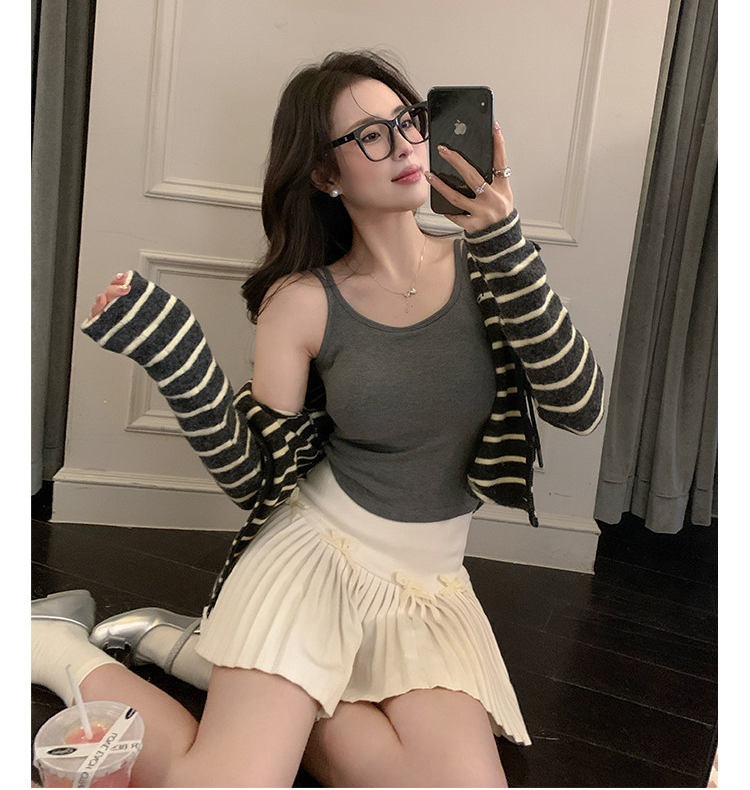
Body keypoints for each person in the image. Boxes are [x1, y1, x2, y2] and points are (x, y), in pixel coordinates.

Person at [32, 50, 604, 788]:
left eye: (408, 120)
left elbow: (578, 405)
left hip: (427, 587)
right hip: (314, 561)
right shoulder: (303, 302)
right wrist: (175, 352)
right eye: (370, 135)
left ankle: (209, 657)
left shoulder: (493, 265)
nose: (405, 144)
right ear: (325, 174)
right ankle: (57, 643)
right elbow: (255, 478)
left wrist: (504, 239)